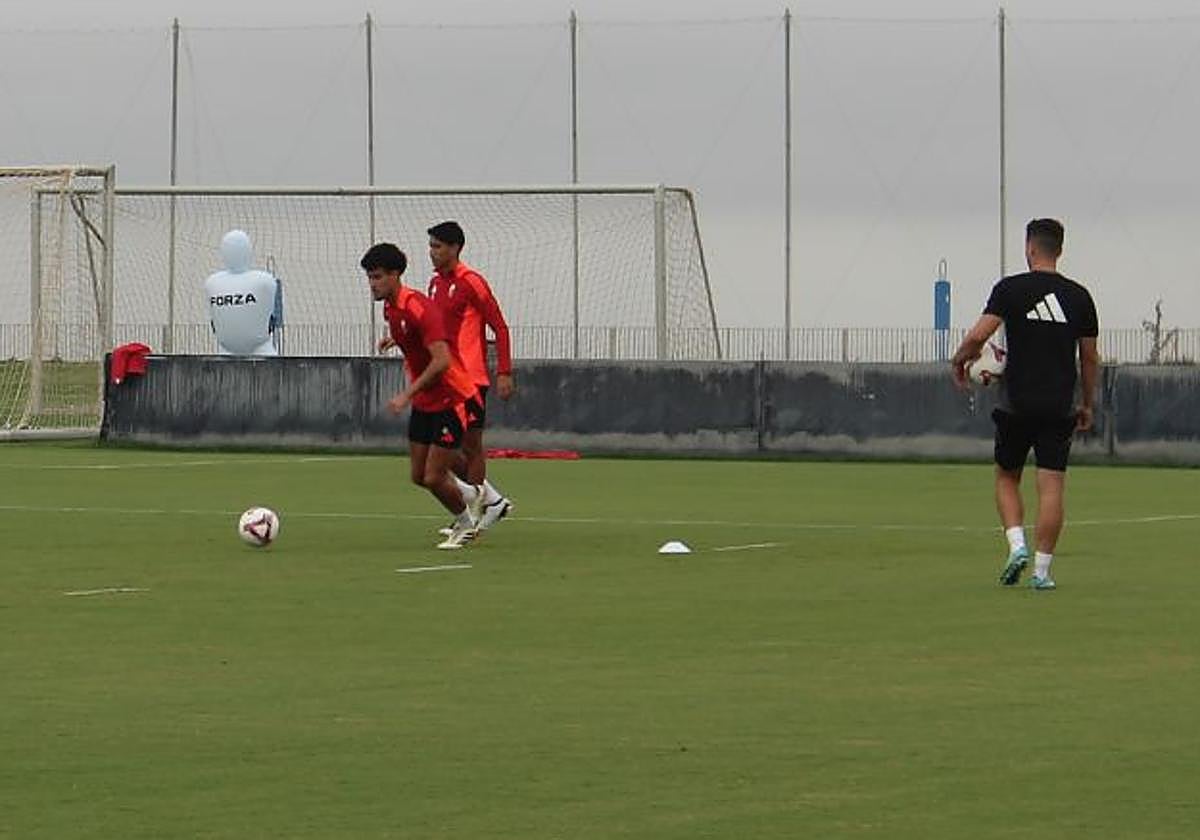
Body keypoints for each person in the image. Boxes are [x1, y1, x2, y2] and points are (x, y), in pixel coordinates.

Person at [952, 218, 1100, 590]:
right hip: (1058, 405)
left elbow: (978, 336)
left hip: (1016, 403)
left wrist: (960, 360)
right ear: (1059, 250)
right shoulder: (1080, 297)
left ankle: (1016, 544)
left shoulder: (1010, 290)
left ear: (1030, 248)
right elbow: (1089, 358)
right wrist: (1086, 402)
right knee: (1051, 487)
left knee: (1006, 476)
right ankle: (1042, 572)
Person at [361, 242, 482, 550]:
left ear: (395, 274)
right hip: (426, 402)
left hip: (450, 398)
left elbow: (441, 361)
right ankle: (475, 493)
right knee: (417, 476)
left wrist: (406, 394)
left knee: (433, 476)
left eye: (377, 277)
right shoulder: (391, 308)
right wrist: (395, 339)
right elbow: (413, 339)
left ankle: (467, 525)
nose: (372, 284)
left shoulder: (417, 306)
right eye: (369, 278)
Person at [425, 221, 515, 534]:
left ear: (455, 248)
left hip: (470, 380)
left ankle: (472, 516)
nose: (432, 252)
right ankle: (492, 501)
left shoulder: (472, 282)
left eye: (438, 246)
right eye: (431, 246)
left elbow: (500, 327)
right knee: (439, 446)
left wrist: (504, 371)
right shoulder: (435, 284)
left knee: (471, 447)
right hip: (443, 380)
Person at [204, 230, 280, 356]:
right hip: (259, 350)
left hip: (231, 349)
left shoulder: (212, 283)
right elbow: (271, 317)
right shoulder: (265, 281)